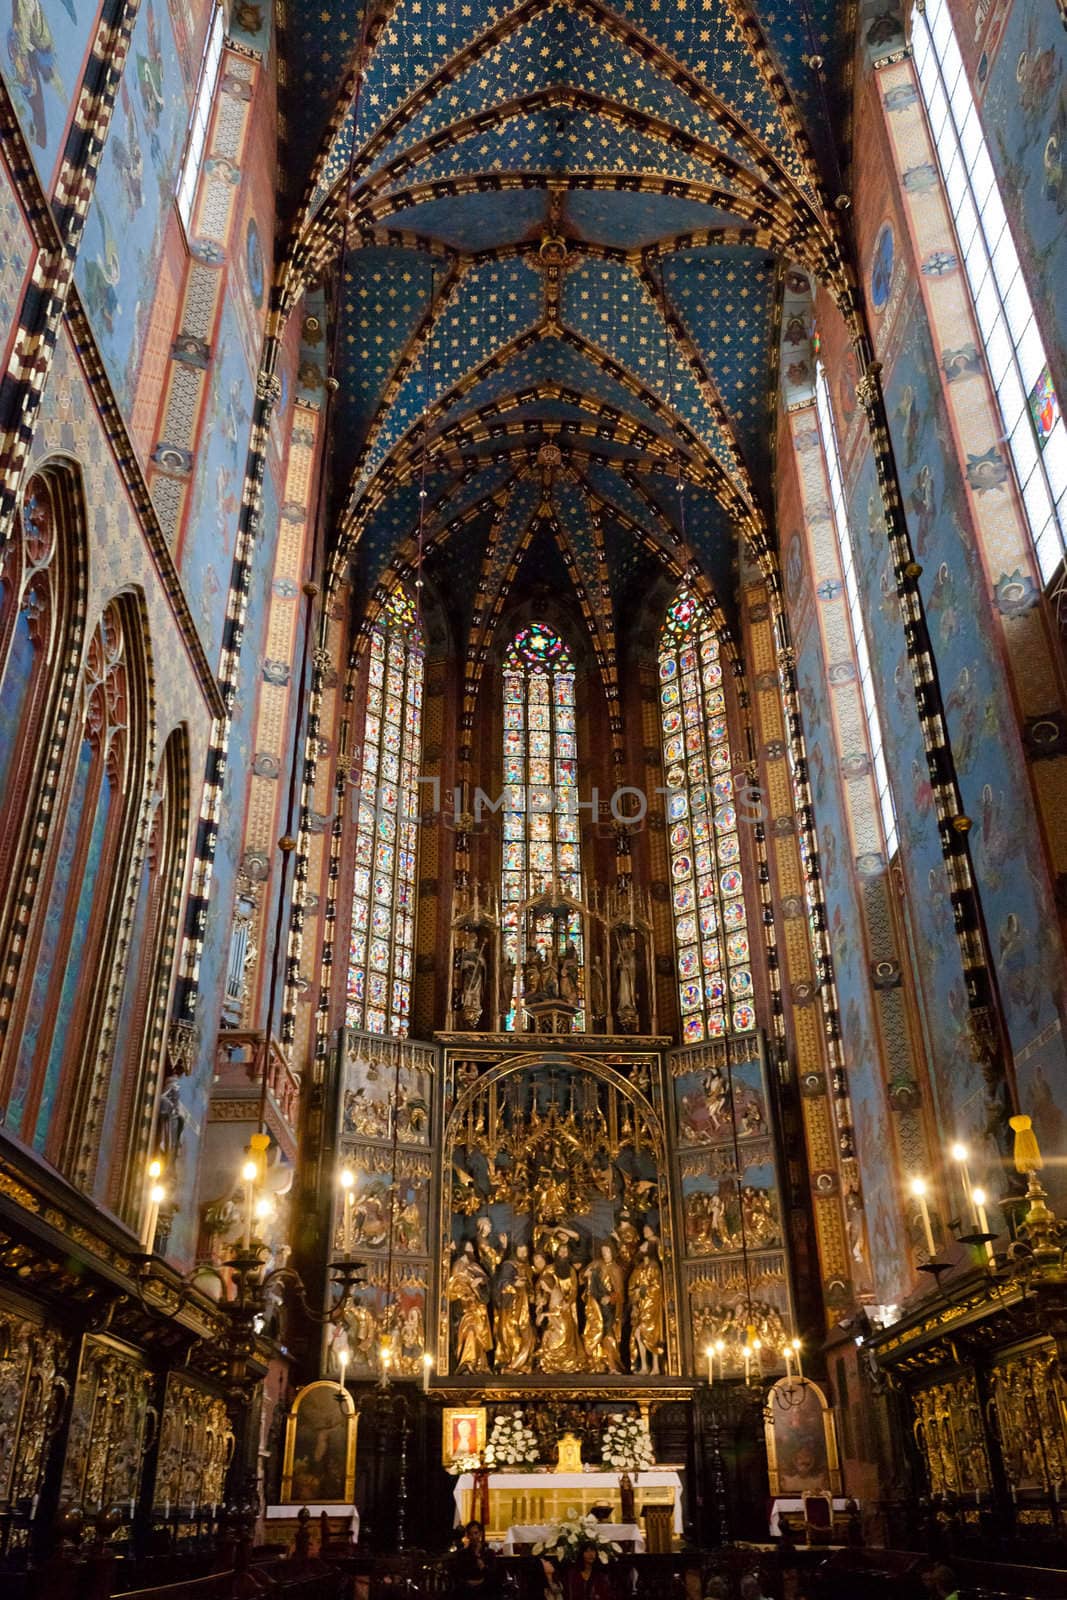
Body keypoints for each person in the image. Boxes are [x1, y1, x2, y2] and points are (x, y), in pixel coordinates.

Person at [451, 1521, 499, 1600]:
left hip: (485, 1588)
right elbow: (458, 1574)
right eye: (470, 1534)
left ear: (480, 1533)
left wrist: (478, 1556)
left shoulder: (489, 1553)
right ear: (467, 1536)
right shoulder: (462, 1553)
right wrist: (468, 1582)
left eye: (475, 1533)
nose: (473, 1537)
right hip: (467, 1588)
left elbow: (493, 1574)